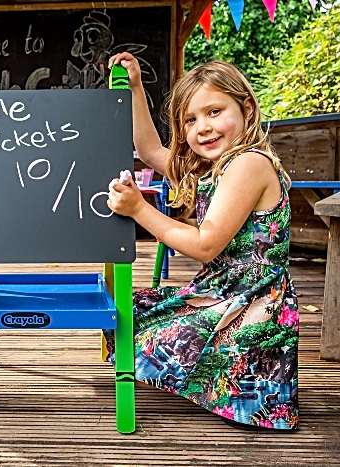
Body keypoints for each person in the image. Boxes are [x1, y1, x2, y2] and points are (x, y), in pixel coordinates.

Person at [105, 54, 299, 431]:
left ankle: (225, 388)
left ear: (245, 109)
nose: (202, 128)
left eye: (214, 112)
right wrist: (135, 89)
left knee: (150, 333)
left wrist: (138, 209)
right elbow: (149, 151)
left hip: (254, 300)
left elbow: (206, 244)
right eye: (190, 120)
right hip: (223, 288)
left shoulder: (249, 164)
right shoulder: (211, 166)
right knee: (126, 311)